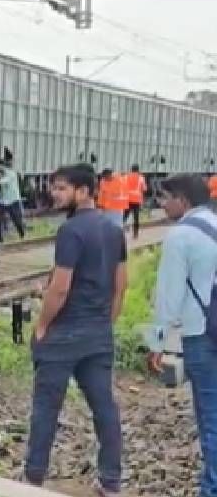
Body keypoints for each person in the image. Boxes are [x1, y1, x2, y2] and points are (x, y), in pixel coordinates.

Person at [24, 163, 126, 495]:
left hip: (64, 333)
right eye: (54, 187)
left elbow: (61, 288)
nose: (54, 193)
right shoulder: (113, 229)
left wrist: (42, 325)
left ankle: (33, 480)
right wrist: (103, 324)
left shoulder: (70, 231)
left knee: (45, 409)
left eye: (62, 188)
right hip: (97, 334)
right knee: (104, 407)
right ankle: (111, 482)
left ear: (83, 192)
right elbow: (120, 285)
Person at [147, 174, 217, 497]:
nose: (163, 204)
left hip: (202, 334)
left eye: (166, 198)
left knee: (210, 413)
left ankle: (211, 488)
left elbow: (168, 297)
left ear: (184, 200)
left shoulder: (180, 236)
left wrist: (157, 343)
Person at [0, 159, 26, 241]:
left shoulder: (11, 173)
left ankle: (22, 234)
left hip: (13, 200)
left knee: (16, 220)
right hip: (3, 201)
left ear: (2, 166)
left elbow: (6, 180)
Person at [121, 165, 146, 240]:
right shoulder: (141, 178)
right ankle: (135, 234)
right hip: (137, 200)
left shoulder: (126, 177)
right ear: (138, 170)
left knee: (124, 217)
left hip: (128, 199)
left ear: (131, 169)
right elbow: (144, 189)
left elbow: (122, 186)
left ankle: (119, 231)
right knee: (136, 218)